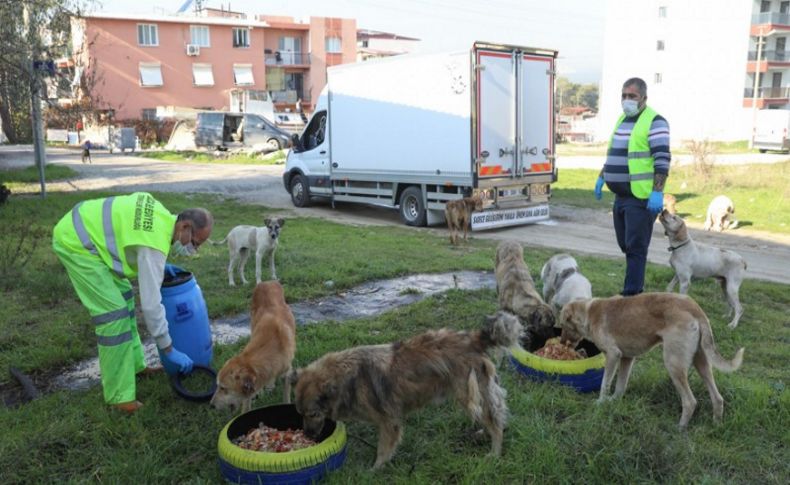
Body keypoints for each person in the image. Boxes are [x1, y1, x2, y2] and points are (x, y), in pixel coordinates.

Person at [52, 192, 214, 414]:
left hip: (83, 226)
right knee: (113, 315)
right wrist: (168, 348)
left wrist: (159, 267)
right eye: (196, 242)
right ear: (184, 227)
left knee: (125, 296)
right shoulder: (153, 245)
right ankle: (119, 397)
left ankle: (137, 366)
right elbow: (150, 305)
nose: (195, 249)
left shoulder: (162, 216)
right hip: (76, 242)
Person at [595, 77, 670, 296]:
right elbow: (615, 153)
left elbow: (662, 159)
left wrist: (657, 192)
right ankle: (633, 287)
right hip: (620, 197)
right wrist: (602, 176)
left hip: (639, 197)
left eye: (632, 96)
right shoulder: (622, 120)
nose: (627, 100)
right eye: (624, 96)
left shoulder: (655, 121)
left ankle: (632, 294)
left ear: (644, 98)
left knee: (636, 248)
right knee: (626, 245)